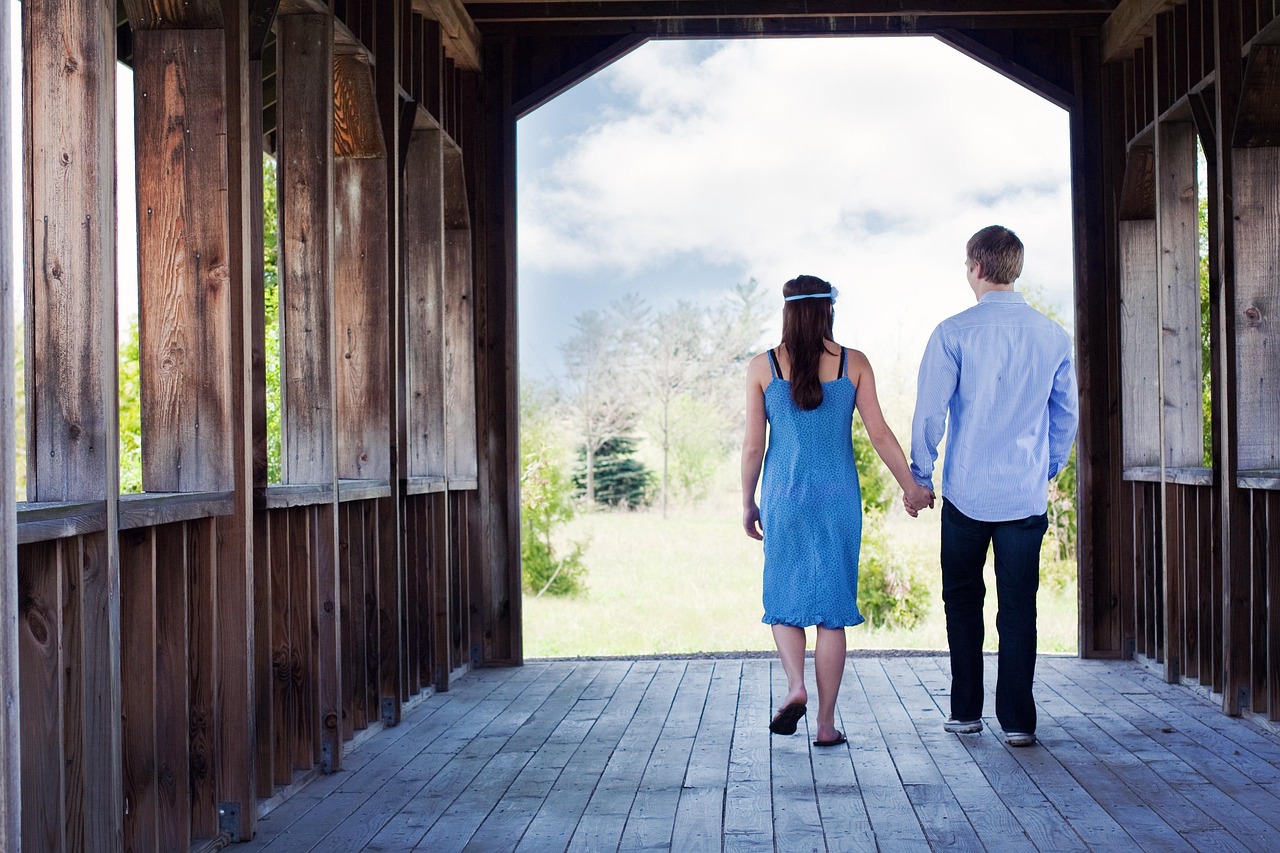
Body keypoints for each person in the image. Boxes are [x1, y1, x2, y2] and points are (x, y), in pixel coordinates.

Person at [742, 274, 934, 748]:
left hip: (784, 496)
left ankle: (795, 687)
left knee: (784, 600)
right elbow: (881, 434)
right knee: (831, 611)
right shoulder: (854, 363)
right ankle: (825, 726)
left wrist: (747, 501)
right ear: (829, 310)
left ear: (788, 312)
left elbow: (752, 448)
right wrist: (911, 488)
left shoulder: (763, 366)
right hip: (838, 500)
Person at [908, 225, 1078, 748]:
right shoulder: (1052, 336)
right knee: (1018, 606)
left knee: (962, 600)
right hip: (1023, 496)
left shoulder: (953, 332)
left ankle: (965, 712)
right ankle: (1019, 722)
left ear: (976, 268)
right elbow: (1066, 414)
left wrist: (921, 473)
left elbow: (930, 413)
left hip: (966, 494)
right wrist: (1048, 466)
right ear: (1015, 268)